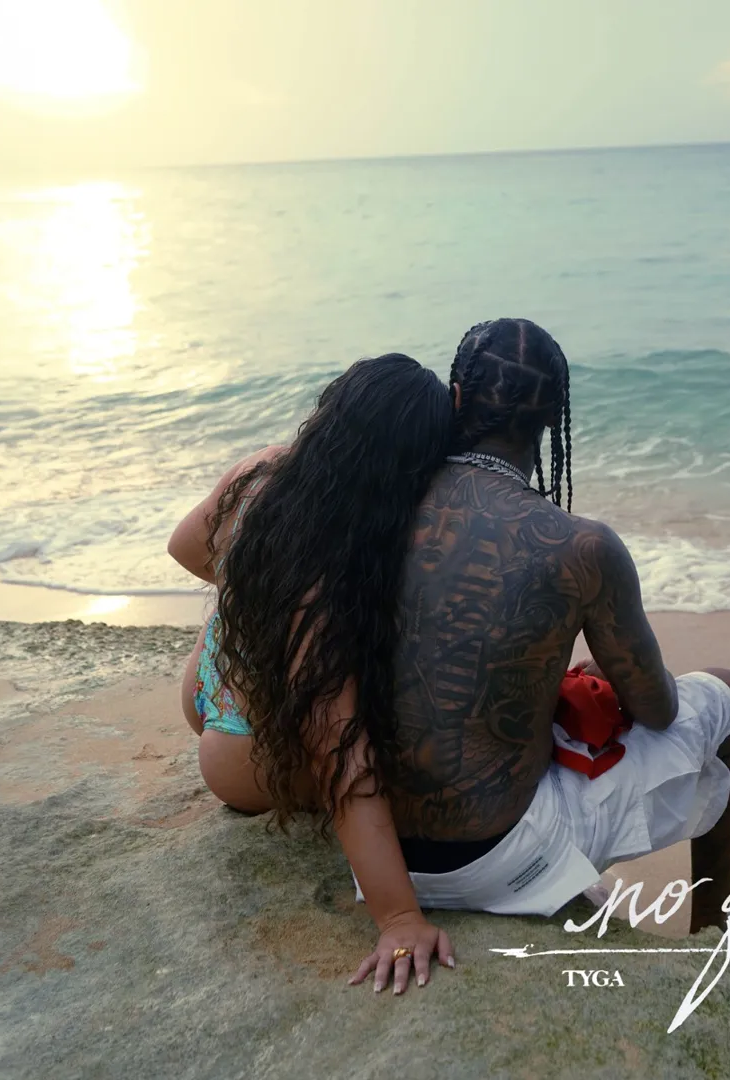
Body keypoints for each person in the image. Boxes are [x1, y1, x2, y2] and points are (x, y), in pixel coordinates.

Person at [361, 319, 730, 948]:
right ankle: (716, 924)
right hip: (498, 863)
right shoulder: (582, 546)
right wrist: (608, 668)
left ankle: (576, 879)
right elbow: (659, 711)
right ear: (553, 419)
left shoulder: (381, 508)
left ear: (456, 397)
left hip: (376, 853)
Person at [168, 353, 459, 996]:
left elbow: (185, 547)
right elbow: (338, 749)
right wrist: (399, 918)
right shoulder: (328, 572)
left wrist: (258, 606)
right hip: (240, 753)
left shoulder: (260, 472)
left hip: (210, 681)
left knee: (261, 615)